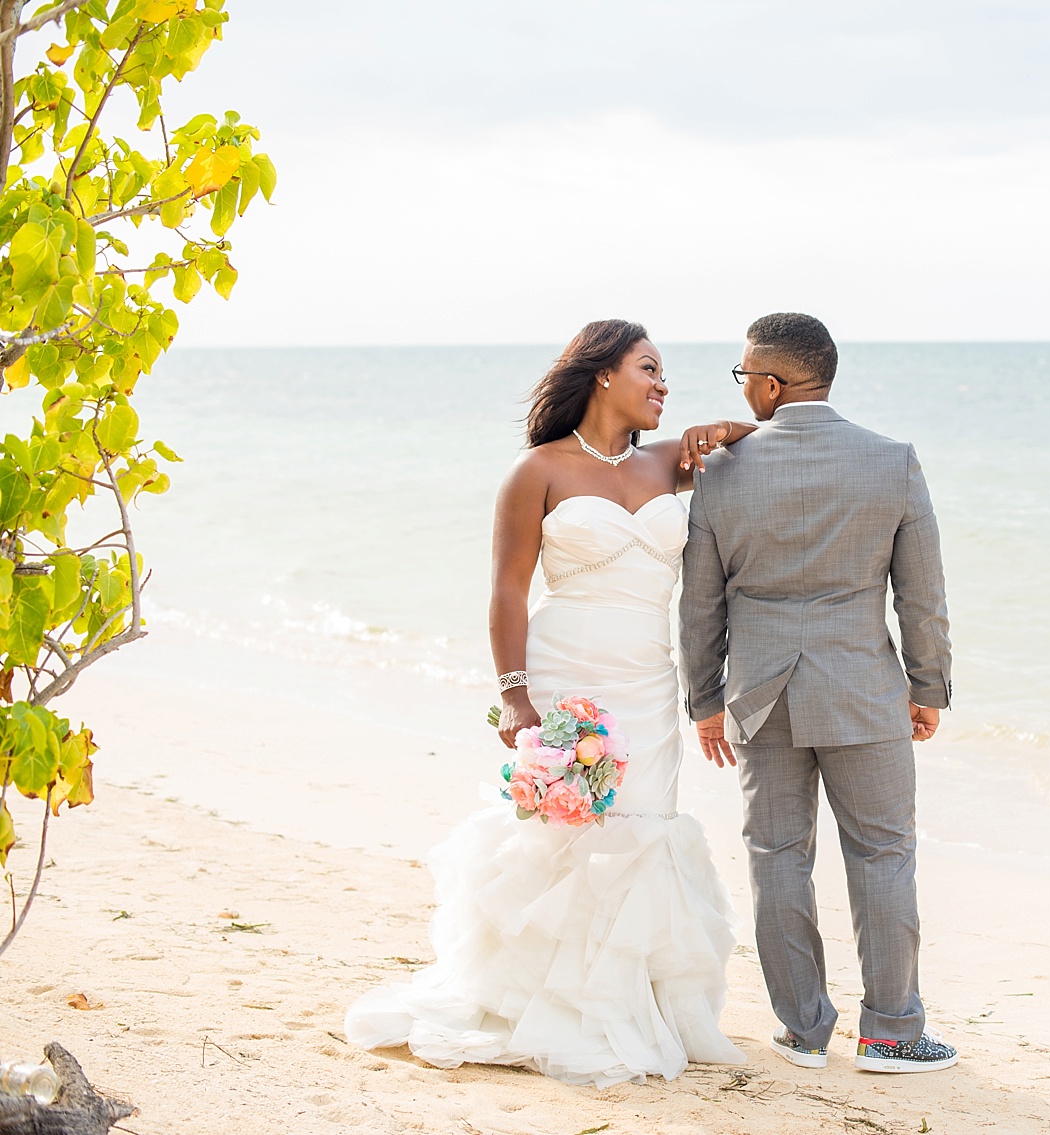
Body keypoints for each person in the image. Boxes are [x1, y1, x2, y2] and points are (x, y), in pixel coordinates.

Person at [344, 319, 755, 1088]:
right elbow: (507, 590)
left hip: (648, 681)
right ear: (602, 374)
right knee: (561, 835)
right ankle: (545, 1003)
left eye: (665, 375)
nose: (663, 385)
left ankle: (633, 1002)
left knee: (641, 829)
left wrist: (719, 426)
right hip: (568, 675)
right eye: (649, 369)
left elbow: (762, 439)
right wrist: (514, 696)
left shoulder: (672, 460)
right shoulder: (536, 471)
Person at [681, 312, 958, 1073]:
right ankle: (891, 1034)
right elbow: (922, 597)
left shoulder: (721, 472)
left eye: (745, 377)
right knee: (883, 854)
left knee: (776, 854)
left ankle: (803, 1029)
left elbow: (699, 601)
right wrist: (928, 684)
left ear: (770, 384)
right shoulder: (891, 461)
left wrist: (702, 698)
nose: (743, 391)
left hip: (759, 696)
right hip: (863, 690)